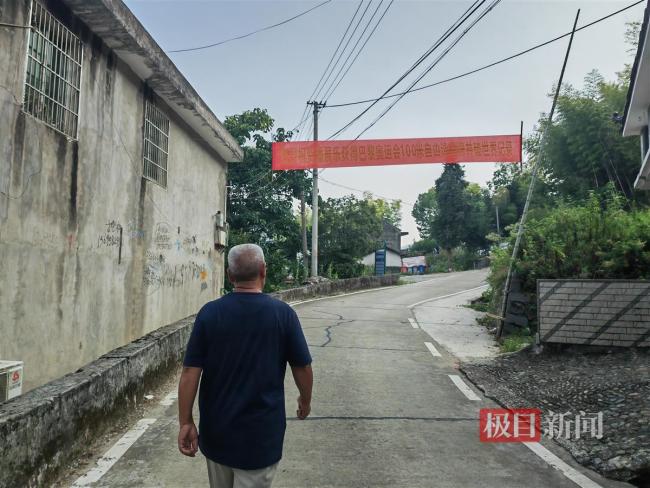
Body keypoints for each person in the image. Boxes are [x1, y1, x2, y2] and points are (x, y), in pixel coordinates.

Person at [177, 243, 313, 488]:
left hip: (217, 433)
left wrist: (186, 422)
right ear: (264, 270)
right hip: (260, 438)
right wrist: (305, 399)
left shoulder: (209, 313)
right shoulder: (283, 315)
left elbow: (190, 372)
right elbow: (302, 367)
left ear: (230, 276)